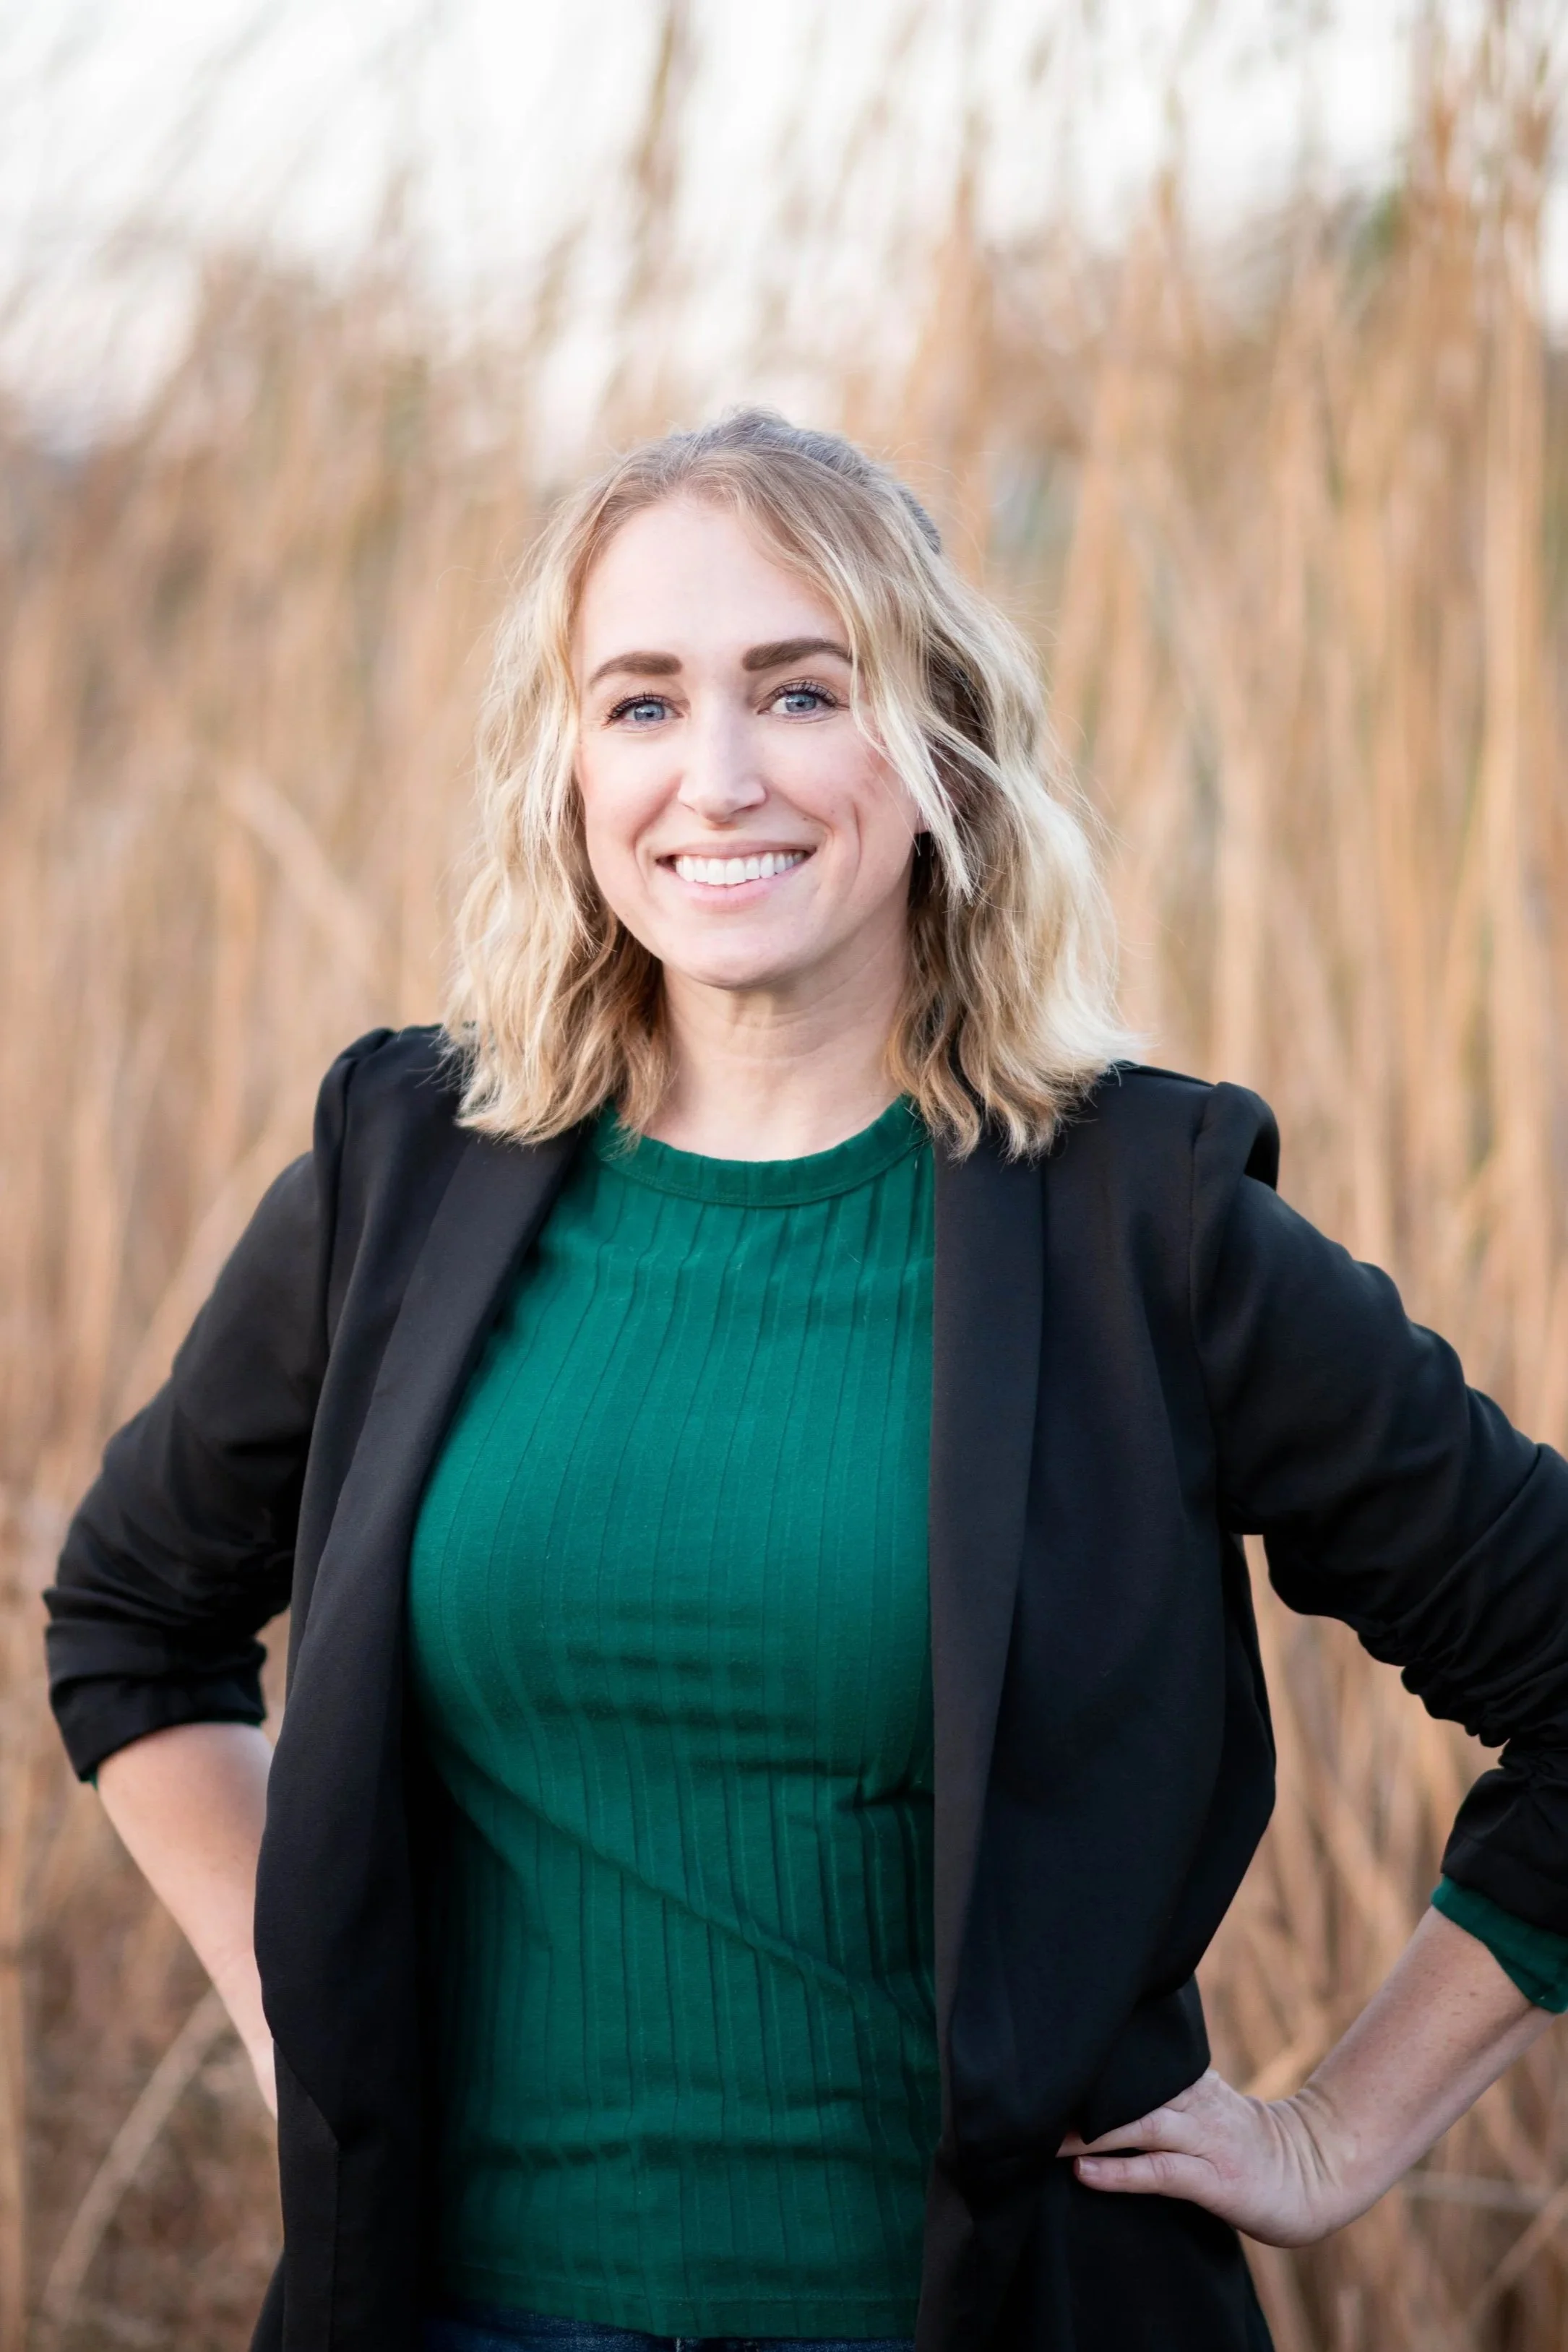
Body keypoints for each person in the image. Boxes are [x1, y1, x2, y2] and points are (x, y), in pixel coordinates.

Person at [43, 409, 1568, 2352]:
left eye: (801, 687)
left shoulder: (1141, 1231)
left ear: (933, 748)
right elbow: (130, 1616)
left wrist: (1342, 2127)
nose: (722, 776)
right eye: (645, 704)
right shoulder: (400, 1172)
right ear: (571, 767)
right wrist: (300, 1996)